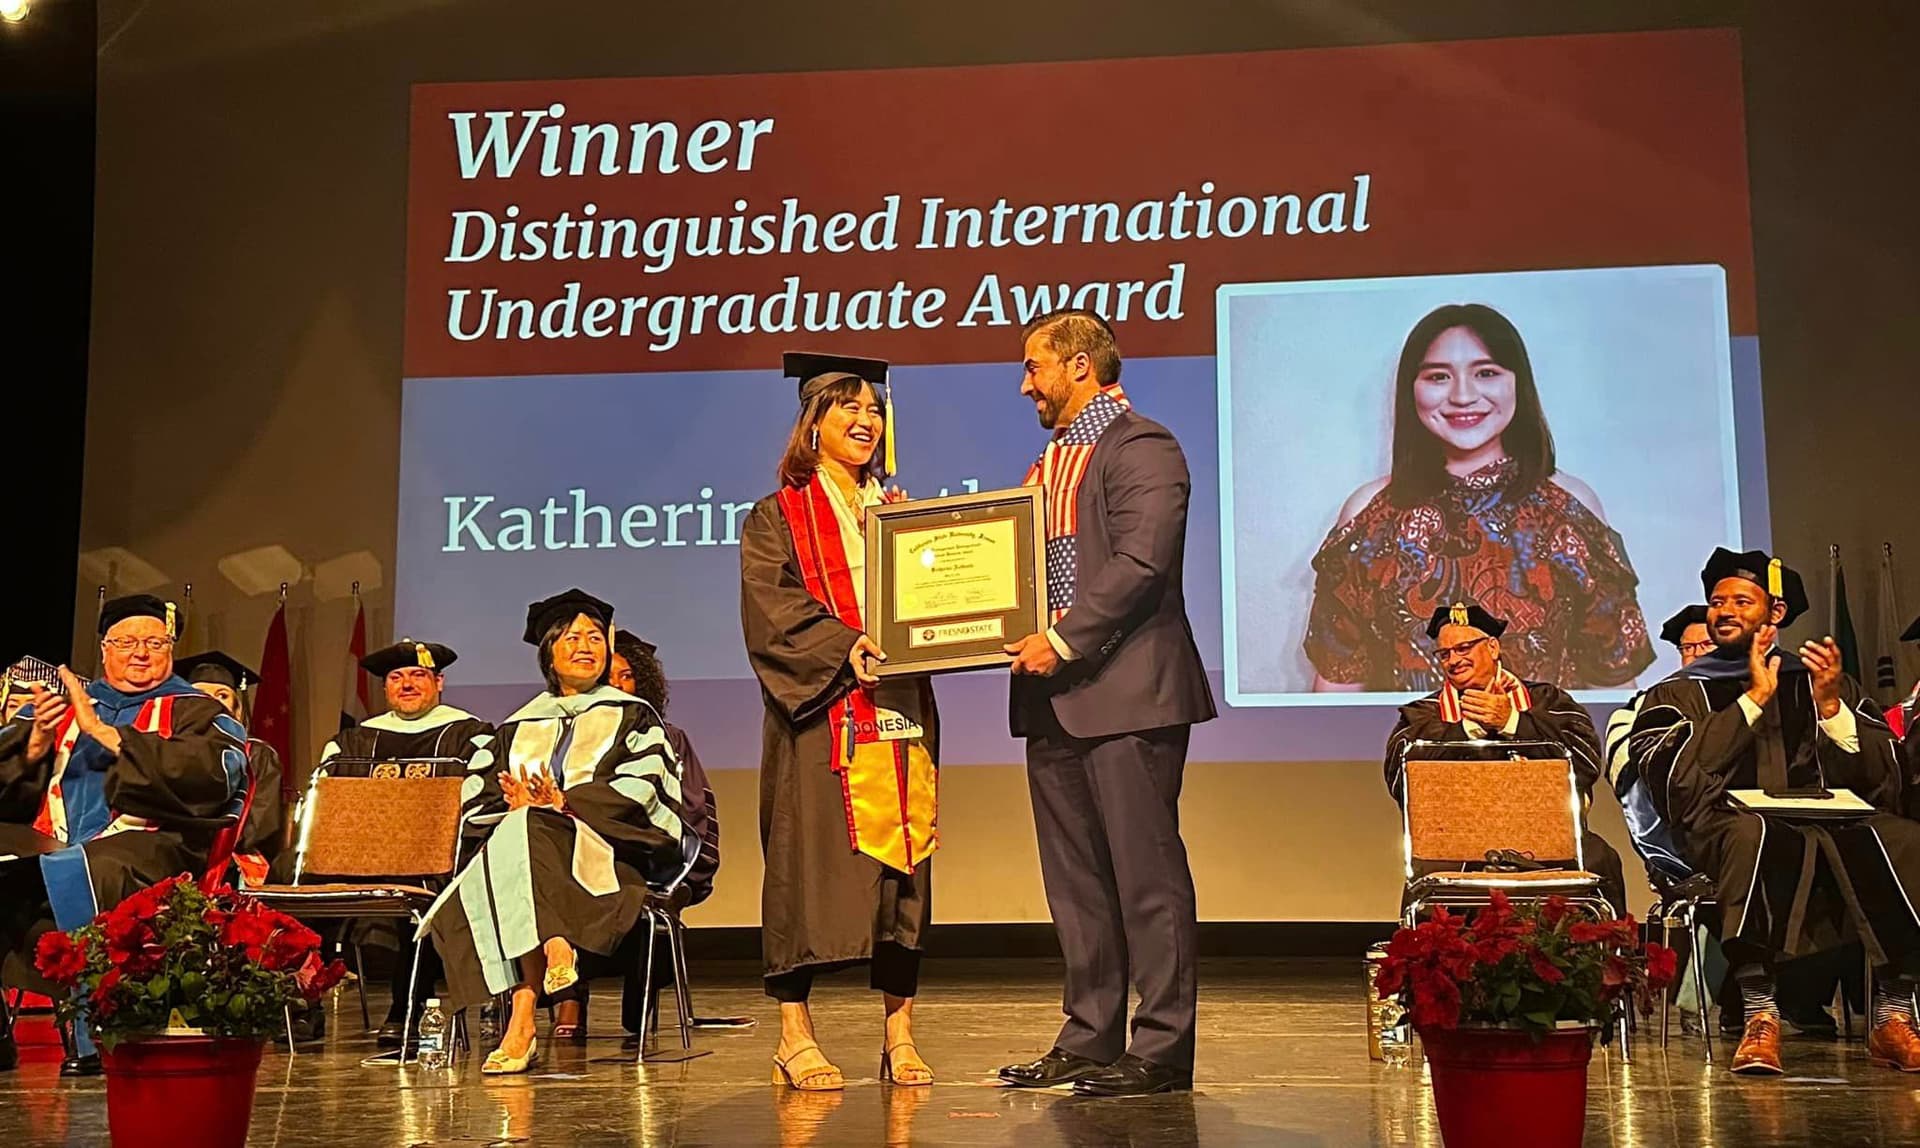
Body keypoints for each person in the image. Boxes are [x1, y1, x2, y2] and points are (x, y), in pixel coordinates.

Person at [997, 310, 1215, 1098]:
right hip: (1052, 701)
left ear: (1079, 365)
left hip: (1127, 694)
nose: (1025, 384)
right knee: (1077, 883)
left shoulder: (1140, 446)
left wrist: (1060, 639)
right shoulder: (1052, 459)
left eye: (1033, 367)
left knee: (1146, 879)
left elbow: (1141, 562)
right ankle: (1090, 1036)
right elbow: (1003, 565)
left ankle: (1160, 1047)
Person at [1628, 548, 1920, 1075]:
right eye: (1717, 602)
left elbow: (1885, 776)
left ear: (1776, 614)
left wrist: (1831, 709)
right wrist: (1753, 700)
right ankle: (1760, 1017)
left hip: (1824, 825)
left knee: (1902, 838)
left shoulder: (1821, 681)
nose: (1723, 611)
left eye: (1742, 600)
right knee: (1753, 835)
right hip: (1723, 829)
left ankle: (1892, 1017)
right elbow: (1675, 778)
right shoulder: (1678, 692)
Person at [740, 351, 939, 1091]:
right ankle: (794, 1036)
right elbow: (773, 612)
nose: (867, 420)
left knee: (905, 871)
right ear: (813, 423)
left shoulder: (894, 510)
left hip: (899, 710)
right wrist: (843, 645)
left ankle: (899, 1033)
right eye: (849, 408)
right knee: (804, 868)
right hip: (823, 716)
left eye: (874, 409)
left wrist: (925, 552)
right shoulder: (775, 518)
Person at [1305, 302, 1654, 692]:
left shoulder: (1570, 505)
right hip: (1404, 750)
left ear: (1517, 382)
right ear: (1411, 389)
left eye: (1486, 372)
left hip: (1542, 750)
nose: (1462, 396)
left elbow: (1613, 678)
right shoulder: (1369, 512)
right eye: (1438, 376)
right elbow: (1337, 681)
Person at [421, 590, 687, 1074]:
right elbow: (474, 801)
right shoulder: (513, 727)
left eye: (594, 638)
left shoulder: (635, 717)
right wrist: (511, 804)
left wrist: (563, 804)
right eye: (571, 637)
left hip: (607, 862)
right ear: (549, 652)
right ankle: (554, 947)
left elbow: (645, 790)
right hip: (525, 858)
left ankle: (523, 1015)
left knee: (532, 826)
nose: (586, 646)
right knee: (524, 825)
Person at [0, 595, 248, 1075]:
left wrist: (111, 736)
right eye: (126, 642)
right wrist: (33, 746)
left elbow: (218, 774)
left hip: (152, 848)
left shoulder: (196, 710)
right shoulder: (65, 704)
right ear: (104, 649)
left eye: (154, 642)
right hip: (51, 842)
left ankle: (91, 1033)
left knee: (87, 868)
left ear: (170, 649)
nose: (140, 652)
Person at [299, 637, 493, 1047]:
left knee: (420, 888)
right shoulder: (352, 742)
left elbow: (478, 806)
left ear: (439, 682)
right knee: (293, 873)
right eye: (396, 677)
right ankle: (302, 1002)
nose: (406, 684)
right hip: (351, 860)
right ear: (385, 688)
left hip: (432, 863)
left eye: (417, 675)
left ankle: (407, 1005)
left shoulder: (470, 737)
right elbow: (329, 804)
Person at [1383, 601, 1627, 913]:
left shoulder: (1547, 702)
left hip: (1548, 848)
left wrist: (1512, 722)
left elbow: (1586, 761)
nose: (1453, 660)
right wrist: (1467, 730)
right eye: (1445, 654)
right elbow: (1400, 779)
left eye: (1464, 648)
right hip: (1456, 851)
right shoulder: (1422, 717)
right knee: (1428, 879)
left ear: (1493, 647)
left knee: (1600, 859)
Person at [606, 630, 741, 1047]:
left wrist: (678, 870)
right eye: (607, 678)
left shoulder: (670, 738)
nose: (616, 686)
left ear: (642, 683)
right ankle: (566, 1008)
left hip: (652, 863)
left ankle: (639, 1013)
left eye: (626, 677)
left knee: (642, 895)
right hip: (588, 863)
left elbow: (693, 812)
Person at [173, 651, 286, 884]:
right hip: (173, 852)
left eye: (222, 695)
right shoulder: (167, 748)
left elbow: (261, 824)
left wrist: (206, 842)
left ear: (237, 709)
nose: (212, 702)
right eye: (202, 694)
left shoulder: (258, 754)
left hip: (230, 859)